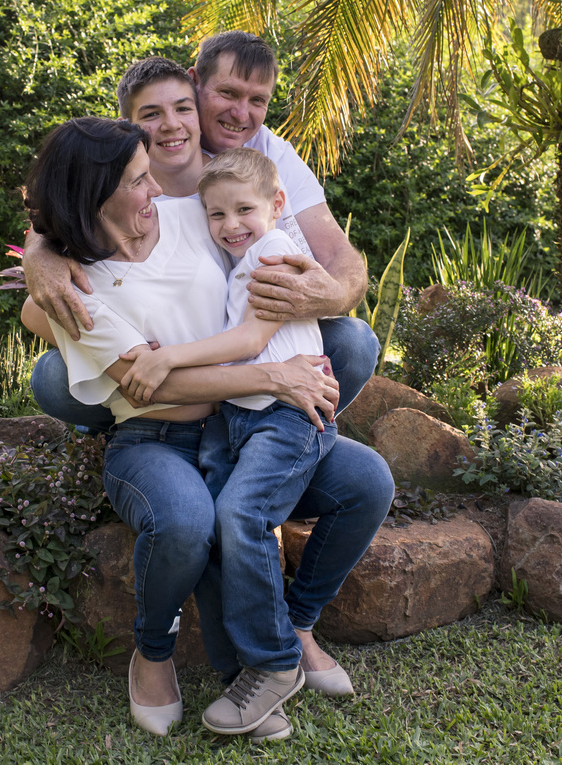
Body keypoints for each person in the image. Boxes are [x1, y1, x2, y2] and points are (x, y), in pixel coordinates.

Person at [20, 117, 393, 740]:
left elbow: (278, 227)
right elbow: (153, 385)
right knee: (190, 522)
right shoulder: (75, 288)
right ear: (98, 194)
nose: (158, 188)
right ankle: (154, 651)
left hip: (235, 426)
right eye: (140, 181)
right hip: (153, 438)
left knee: (366, 481)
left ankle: (292, 629)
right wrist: (275, 378)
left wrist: (304, 320)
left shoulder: (196, 215)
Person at [22, 34, 376, 426]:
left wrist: (327, 296)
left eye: (257, 100)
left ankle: (290, 432)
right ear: (197, 82)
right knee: (55, 376)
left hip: (248, 339)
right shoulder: (122, 182)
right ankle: (141, 435)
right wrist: (38, 254)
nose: (241, 114)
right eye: (228, 93)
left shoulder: (268, 156)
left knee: (355, 342)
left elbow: (338, 257)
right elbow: (66, 202)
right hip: (172, 363)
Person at [114, 147, 335, 734]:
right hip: (241, 414)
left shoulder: (275, 251)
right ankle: (242, 677)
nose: (231, 224)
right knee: (214, 520)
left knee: (242, 515)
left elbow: (247, 340)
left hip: (288, 415)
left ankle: (275, 662)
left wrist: (168, 360)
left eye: (245, 210)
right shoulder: (238, 253)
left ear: (278, 205)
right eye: (217, 215)